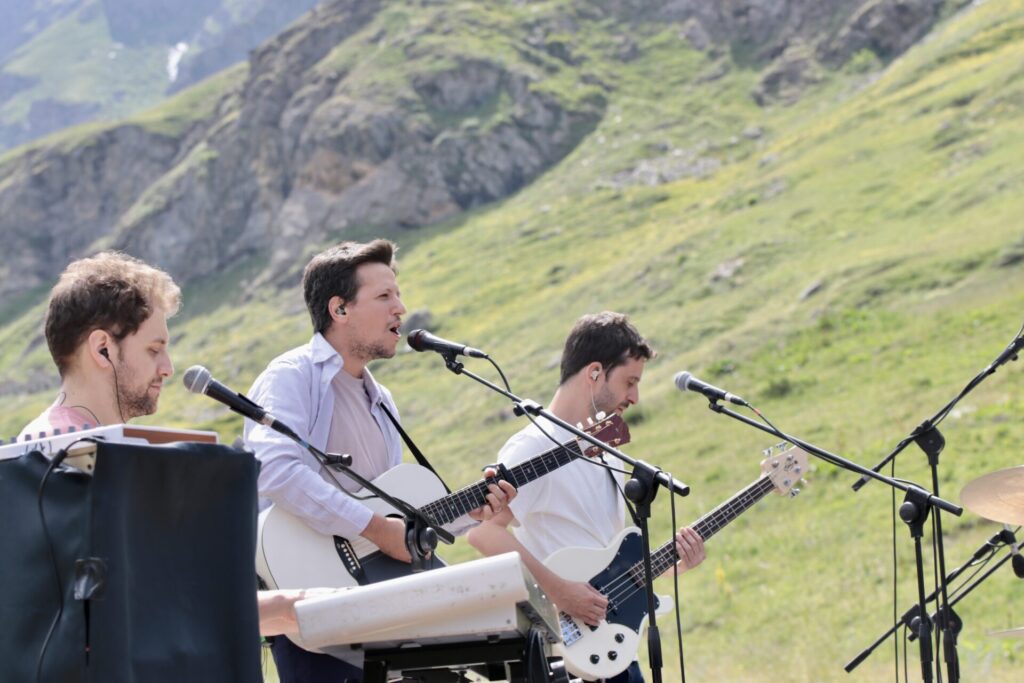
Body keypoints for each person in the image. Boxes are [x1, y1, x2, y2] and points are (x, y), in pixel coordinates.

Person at [244, 239, 515, 682]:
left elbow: (394, 519)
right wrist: (376, 529)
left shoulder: (381, 400)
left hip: (379, 613)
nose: (401, 309)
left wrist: (470, 513)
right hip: (310, 611)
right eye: (385, 296)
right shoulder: (291, 376)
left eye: (398, 295)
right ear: (340, 309)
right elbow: (275, 470)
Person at [20, 250, 318, 639]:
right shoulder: (74, 457)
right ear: (102, 349)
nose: (168, 367)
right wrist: (296, 605)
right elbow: (150, 604)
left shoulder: (46, 448)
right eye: (154, 349)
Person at [467, 312, 706, 683]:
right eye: (629, 381)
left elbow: (610, 563)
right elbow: (484, 534)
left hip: (614, 650)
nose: (635, 397)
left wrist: (677, 565)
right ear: (595, 373)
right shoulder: (533, 446)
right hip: (567, 656)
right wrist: (560, 592)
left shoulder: (604, 446)